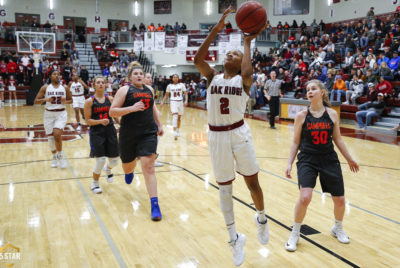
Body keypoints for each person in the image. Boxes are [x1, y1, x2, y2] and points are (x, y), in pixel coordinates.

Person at [194, 7, 269, 267]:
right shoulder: (212, 77)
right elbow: (197, 59)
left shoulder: (243, 81)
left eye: (234, 54)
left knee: (252, 183)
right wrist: (216, 28)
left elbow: (248, 73)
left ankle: (261, 218)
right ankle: (234, 238)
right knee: (224, 188)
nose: (230, 53)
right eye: (228, 52)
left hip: (238, 132)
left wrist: (247, 44)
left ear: (240, 62)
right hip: (216, 137)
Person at [285, 80, 359, 252]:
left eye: (313, 89)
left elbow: (338, 139)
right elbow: (295, 142)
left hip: (329, 159)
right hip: (308, 159)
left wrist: (349, 158)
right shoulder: (302, 116)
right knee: (305, 197)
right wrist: (289, 163)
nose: (309, 92)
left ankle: (337, 228)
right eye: (307, 90)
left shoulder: (332, 114)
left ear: (322, 92)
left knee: (340, 200)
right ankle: (295, 232)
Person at [109, 62, 164, 221]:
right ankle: (129, 171)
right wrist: (131, 108)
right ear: (130, 77)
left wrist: (159, 125)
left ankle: (154, 204)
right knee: (128, 166)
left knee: (148, 167)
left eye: (141, 73)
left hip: (148, 133)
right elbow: (112, 111)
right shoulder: (124, 90)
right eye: (136, 74)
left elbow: (153, 109)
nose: (139, 76)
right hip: (128, 134)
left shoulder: (150, 90)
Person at [84, 76, 120, 194]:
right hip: (96, 132)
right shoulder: (89, 102)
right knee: (100, 160)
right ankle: (94, 183)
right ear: (93, 85)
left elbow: (114, 115)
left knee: (114, 161)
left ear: (105, 85)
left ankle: (108, 169)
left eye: (102, 82)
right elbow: (88, 121)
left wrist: (121, 124)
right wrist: (100, 121)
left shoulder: (110, 99)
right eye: (98, 82)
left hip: (110, 131)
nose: (100, 84)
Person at [34, 70, 72, 169]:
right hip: (48, 114)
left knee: (57, 135)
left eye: (58, 74)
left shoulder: (65, 87)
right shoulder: (45, 87)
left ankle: (60, 156)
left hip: (61, 113)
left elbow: (71, 100)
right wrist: (45, 100)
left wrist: (65, 101)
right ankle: (54, 156)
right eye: (54, 74)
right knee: (50, 138)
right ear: (50, 76)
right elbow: (36, 101)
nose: (56, 75)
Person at [144, 72, 164, 168]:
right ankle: (151, 159)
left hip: (149, 118)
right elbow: (151, 105)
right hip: (147, 118)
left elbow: (152, 104)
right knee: (154, 138)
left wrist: (157, 111)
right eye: (148, 77)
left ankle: (148, 157)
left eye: (151, 77)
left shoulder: (149, 89)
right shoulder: (146, 89)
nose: (150, 79)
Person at [161, 74, 188, 140]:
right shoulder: (169, 86)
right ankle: (174, 131)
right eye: (174, 77)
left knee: (179, 118)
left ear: (178, 78)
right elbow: (166, 95)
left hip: (180, 102)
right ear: (172, 78)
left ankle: (177, 130)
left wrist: (186, 101)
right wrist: (162, 101)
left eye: (176, 77)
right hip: (173, 101)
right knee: (175, 116)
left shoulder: (181, 85)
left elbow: (186, 93)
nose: (175, 78)